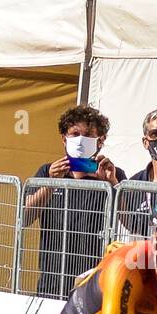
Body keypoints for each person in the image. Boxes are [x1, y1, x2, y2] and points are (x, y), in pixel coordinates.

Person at [24, 105, 128, 298]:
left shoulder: (113, 174)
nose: (81, 139)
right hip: (53, 279)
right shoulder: (47, 172)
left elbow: (130, 221)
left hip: (96, 280)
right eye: (75, 134)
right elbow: (24, 218)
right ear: (64, 138)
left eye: (88, 134)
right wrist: (51, 183)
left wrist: (112, 183)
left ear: (100, 141)